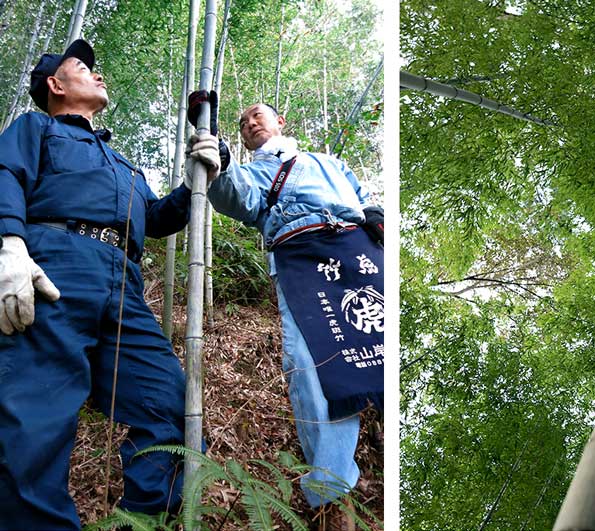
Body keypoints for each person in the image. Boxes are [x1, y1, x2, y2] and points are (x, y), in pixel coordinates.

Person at [0, 40, 220, 529]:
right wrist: (9, 244)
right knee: (34, 419)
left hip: (125, 282)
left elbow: (157, 218)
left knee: (173, 409)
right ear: (56, 85)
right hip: (53, 266)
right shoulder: (37, 128)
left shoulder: (124, 166)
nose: (98, 75)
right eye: (83, 68)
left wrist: (196, 179)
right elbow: (5, 174)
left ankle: (139, 522)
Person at [187, 96, 383, 518]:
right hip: (300, 257)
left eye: (256, 114)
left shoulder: (327, 162)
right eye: (241, 124)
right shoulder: (253, 171)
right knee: (311, 365)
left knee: (386, 341)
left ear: (280, 120)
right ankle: (333, 491)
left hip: (357, 248)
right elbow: (235, 196)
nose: (249, 123)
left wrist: (377, 217)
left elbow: (365, 198)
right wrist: (216, 154)